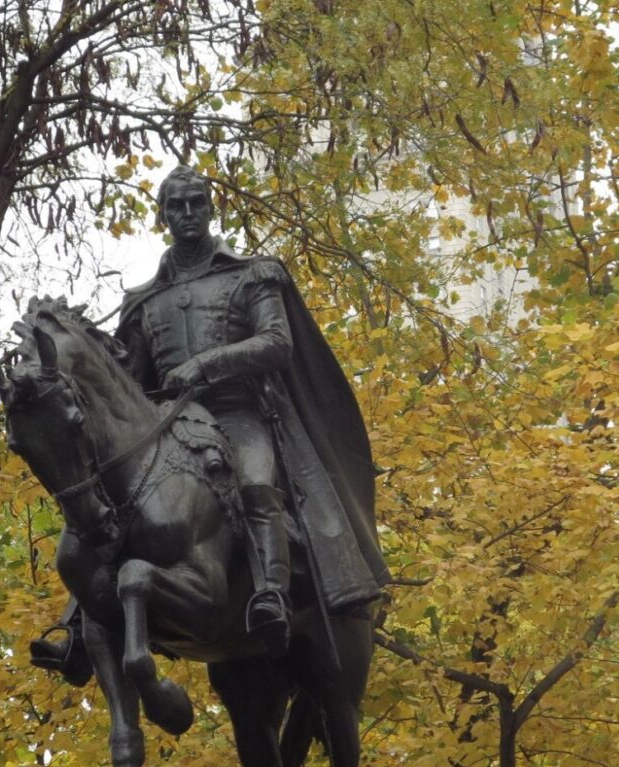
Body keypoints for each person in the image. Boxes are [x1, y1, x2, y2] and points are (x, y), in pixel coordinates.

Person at [30, 165, 389, 679]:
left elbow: (277, 343)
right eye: (176, 206)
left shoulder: (251, 274)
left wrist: (205, 363)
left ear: (210, 208)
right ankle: (79, 631)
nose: (187, 213)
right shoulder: (143, 301)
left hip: (240, 413)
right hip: (170, 424)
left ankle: (271, 595)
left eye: (196, 203)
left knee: (258, 485)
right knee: (106, 502)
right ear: (163, 216)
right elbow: (130, 384)